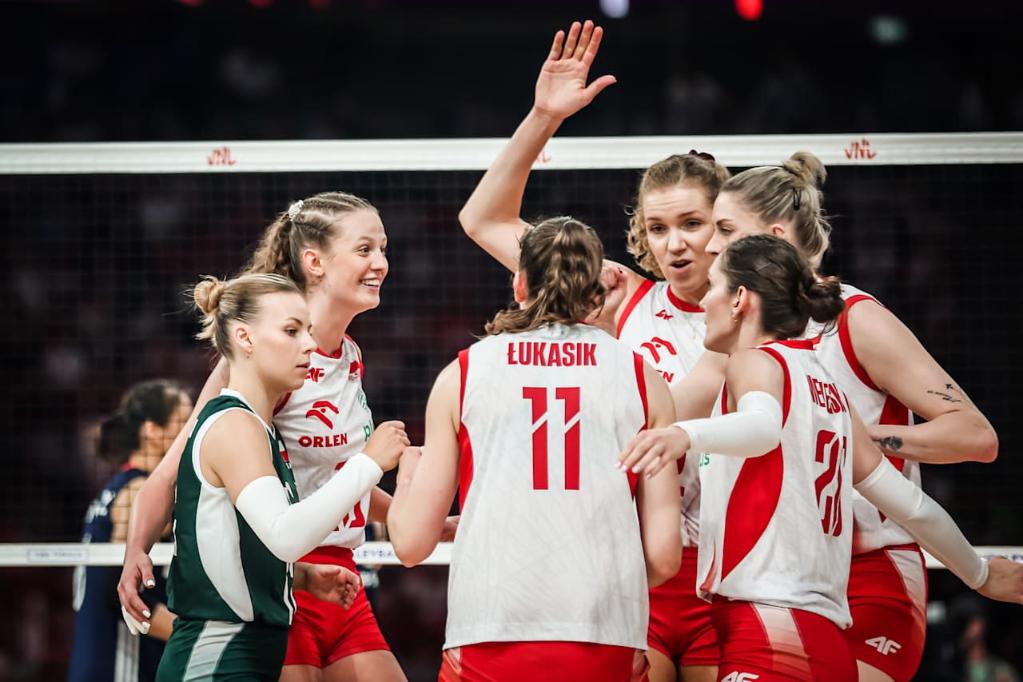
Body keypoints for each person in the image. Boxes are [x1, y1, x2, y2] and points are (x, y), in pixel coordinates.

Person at [618, 235, 1023, 681]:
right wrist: (980, 574)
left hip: (771, 630)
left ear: (739, 300)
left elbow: (762, 427)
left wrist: (682, 434)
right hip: (822, 640)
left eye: (713, 286)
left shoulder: (752, 361)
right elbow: (912, 506)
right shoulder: (829, 388)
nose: (703, 302)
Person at [457, 21, 727, 681]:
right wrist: (544, 117)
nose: (675, 244)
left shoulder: (769, 313)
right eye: (658, 228)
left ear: (725, 224)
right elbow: (483, 220)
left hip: (735, 567)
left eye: (692, 224)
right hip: (639, 563)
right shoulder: (618, 295)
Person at [120, 192, 444, 682]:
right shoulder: (262, 366)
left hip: (339, 577)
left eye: (384, 249)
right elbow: (172, 473)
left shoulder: (349, 355)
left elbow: (328, 479)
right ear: (314, 262)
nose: (381, 262)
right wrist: (135, 551)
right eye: (364, 250)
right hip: (279, 578)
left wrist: (423, 518)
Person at [702, 152, 1000, 682]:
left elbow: (975, 436)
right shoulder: (738, 333)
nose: (710, 244)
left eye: (725, 229)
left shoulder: (854, 317)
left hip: (870, 570)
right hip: (787, 576)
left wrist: (843, 435)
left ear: (774, 236)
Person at [388, 217, 682, 682]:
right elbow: (665, 557)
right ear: (597, 292)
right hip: (605, 633)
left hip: (489, 630)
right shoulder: (643, 378)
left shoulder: (465, 373)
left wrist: (407, 474)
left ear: (520, 283)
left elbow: (409, 545)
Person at [155, 272, 406, 681]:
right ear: (245, 338)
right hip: (218, 658)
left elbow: (238, 543)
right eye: (291, 331)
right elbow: (286, 536)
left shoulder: (259, 427)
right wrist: (369, 463)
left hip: (248, 651)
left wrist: (300, 577)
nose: (308, 344)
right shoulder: (234, 426)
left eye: (307, 330)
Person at [68, 379, 192, 681]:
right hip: (120, 664)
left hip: (96, 659)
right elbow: (117, 591)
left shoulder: (117, 488)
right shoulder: (138, 492)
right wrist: (195, 640)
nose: (192, 430)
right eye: (184, 421)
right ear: (152, 430)